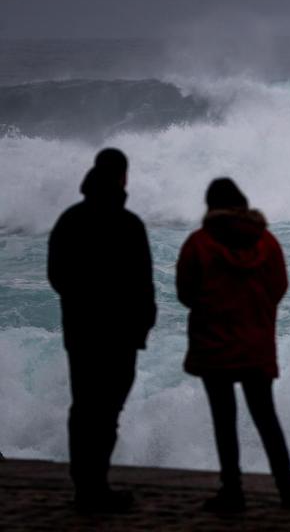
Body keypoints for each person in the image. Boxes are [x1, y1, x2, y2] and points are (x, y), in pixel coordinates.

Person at [176, 178, 290, 512]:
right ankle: (288, 491)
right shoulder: (267, 242)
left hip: (214, 344)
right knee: (266, 417)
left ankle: (232, 491)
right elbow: (280, 286)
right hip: (256, 343)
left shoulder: (199, 243)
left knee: (224, 420)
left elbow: (185, 294)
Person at [47, 147, 157, 512]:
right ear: (123, 178)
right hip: (119, 334)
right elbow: (144, 286)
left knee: (85, 408)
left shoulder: (70, 220)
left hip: (80, 331)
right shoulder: (128, 225)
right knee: (107, 410)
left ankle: (86, 485)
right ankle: (95, 486)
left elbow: (57, 276)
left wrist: (83, 302)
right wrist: (142, 326)